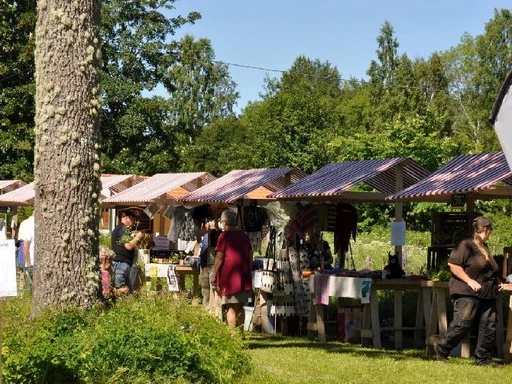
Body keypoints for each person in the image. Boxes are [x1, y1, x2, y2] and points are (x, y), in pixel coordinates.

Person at [435, 216, 504, 367]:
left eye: (489, 230)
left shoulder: (485, 247)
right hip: (467, 291)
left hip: (488, 292)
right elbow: (453, 264)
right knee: (463, 324)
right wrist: (469, 280)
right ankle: (442, 348)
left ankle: (483, 358)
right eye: (487, 229)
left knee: (489, 324)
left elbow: (491, 270)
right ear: (481, 229)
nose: (488, 233)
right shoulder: (465, 244)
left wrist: (498, 281)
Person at [211, 209, 253, 329]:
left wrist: (214, 274)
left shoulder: (224, 236)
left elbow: (219, 257)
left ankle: (233, 335)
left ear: (224, 222)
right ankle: (240, 333)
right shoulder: (244, 236)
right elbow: (250, 254)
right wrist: (248, 270)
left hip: (229, 277)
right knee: (240, 305)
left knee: (230, 306)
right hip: (243, 276)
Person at [111, 210, 145, 294]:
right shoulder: (123, 229)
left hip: (121, 262)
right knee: (121, 289)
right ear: (126, 218)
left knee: (128, 290)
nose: (134, 223)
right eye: (133, 220)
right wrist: (138, 236)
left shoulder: (119, 228)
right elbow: (128, 246)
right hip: (121, 263)